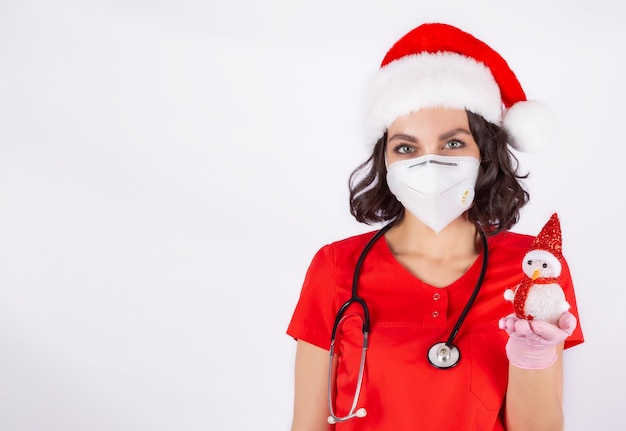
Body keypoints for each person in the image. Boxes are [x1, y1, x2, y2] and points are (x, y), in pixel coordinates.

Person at [286, 22, 584, 431]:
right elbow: (308, 424)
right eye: (406, 147)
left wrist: (532, 353)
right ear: (385, 161)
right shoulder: (336, 267)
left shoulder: (535, 269)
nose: (428, 163)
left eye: (453, 143)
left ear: (486, 154)